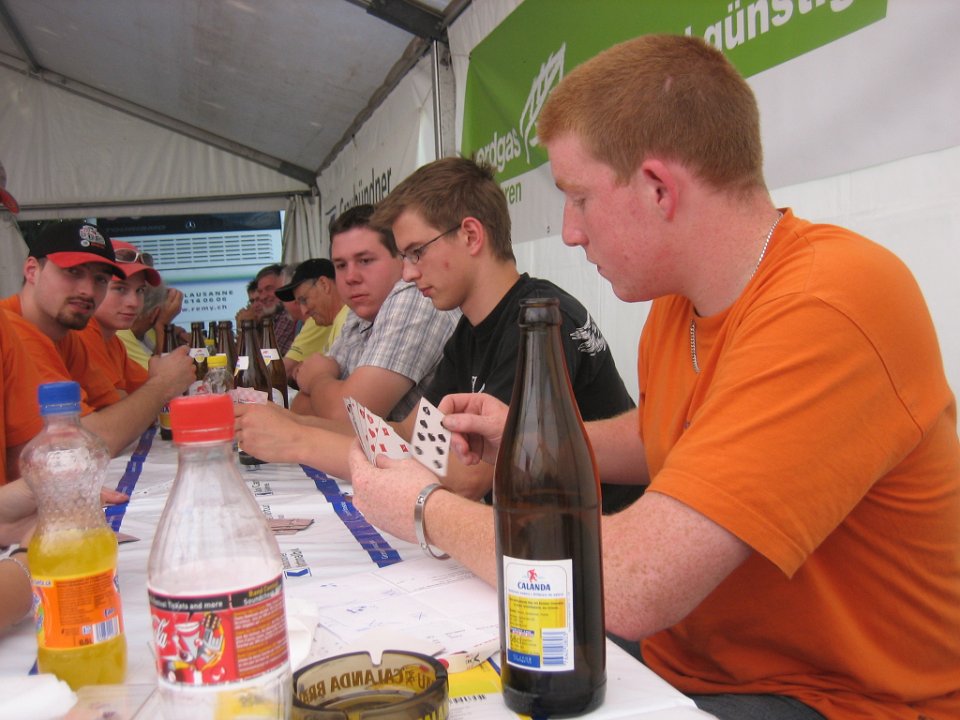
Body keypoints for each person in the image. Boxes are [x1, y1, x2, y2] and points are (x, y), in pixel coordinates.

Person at [345, 35, 960, 720]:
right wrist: (532, 436)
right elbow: (674, 432)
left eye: (578, 199)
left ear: (660, 188)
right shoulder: (676, 303)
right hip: (692, 660)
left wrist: (425, 510)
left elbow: (633, 583)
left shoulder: (831, 302)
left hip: (837, 697)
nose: (569, 232)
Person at [367, 156, 640, 511]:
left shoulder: (541, 321)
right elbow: (414, 431)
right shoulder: (470, 331)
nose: (407, 273)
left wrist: (305, 442)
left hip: (603, 533)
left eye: (416, 252)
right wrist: (307, 431)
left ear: (471, 235)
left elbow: (469, 477)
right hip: (545, 530)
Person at [234, 204, 458, 469]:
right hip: (387, 469)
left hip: (425, 473)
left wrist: (318, 379)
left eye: (365, 261)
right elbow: (303, 406)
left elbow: (345, 416)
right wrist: (330, 394)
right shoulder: (358, 312)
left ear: (400, 260)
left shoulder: (412, 297)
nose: (351, 277)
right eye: (340, 265)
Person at [1, 221, 196, 456]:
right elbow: (95, 441)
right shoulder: (13, 330)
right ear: (32, 270)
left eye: (101, 279)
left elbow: (116, 410)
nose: (88, 291)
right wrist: (163, 385)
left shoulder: (66, 336)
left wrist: (151, 392)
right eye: (73, 272)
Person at [78, 240, 162, 397]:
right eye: (120, 289)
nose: (134, 302)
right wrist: (164, 382)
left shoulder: (113, 341)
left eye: (139, 290)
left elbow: (147, 389)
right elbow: (122, 405)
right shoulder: (83, 335)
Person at [276, 258, 349, 385]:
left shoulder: (347, 320)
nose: (304, 311)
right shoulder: (340, 320)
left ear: (324, 284)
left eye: (304, 300)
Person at [117, 283, 184, 370]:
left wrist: (178, 333)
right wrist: (163, 325)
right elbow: (168, 373)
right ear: (155, 313)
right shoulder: (120, 333)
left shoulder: (146, 331)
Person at [253, 263, 297, 356]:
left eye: (269, 288)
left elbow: (268, 358)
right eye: (260, 291)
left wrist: (245, 328)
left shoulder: (286, 316)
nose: (263, 297)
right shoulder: (272, 317)